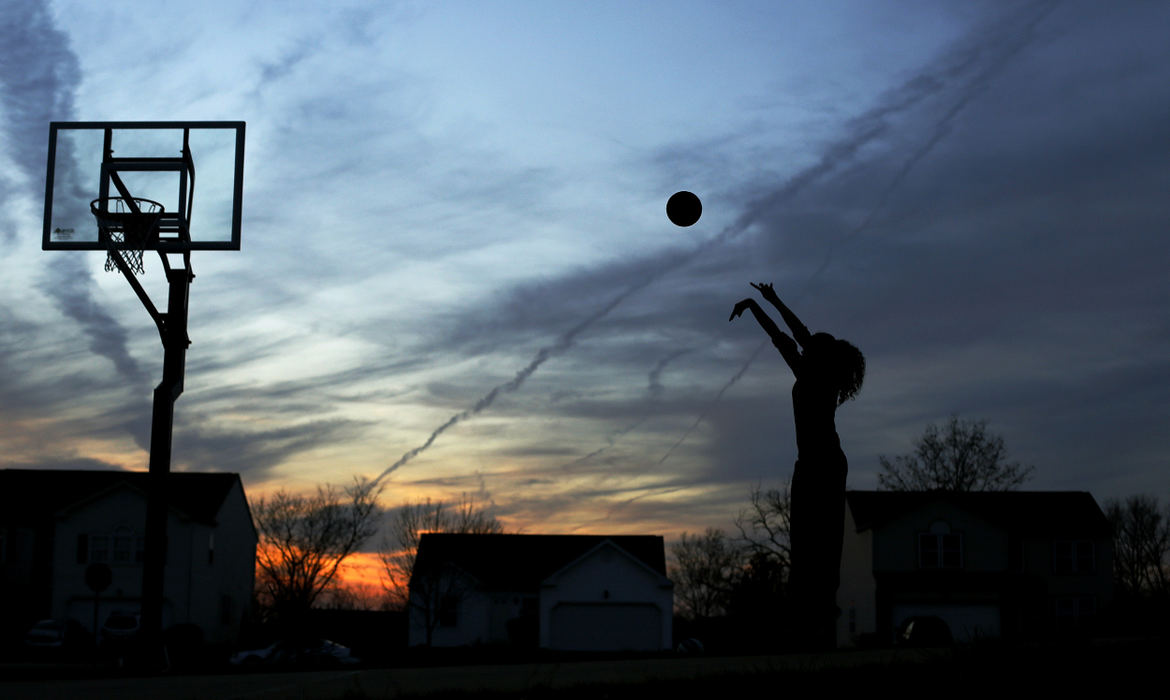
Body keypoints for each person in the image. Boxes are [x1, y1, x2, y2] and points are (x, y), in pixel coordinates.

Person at [729, 282, 865, 650]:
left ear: (819, 355)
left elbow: (791, 332)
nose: (804, 342)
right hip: (810, 464)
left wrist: (764, 303)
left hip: (826, 464)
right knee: (805, 542)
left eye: (810, 344)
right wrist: (761, 303)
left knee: (822, 543)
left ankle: (820, 623)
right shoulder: (808, 371)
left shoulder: (820, 377)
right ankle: (806, 623)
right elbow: (786, 333)